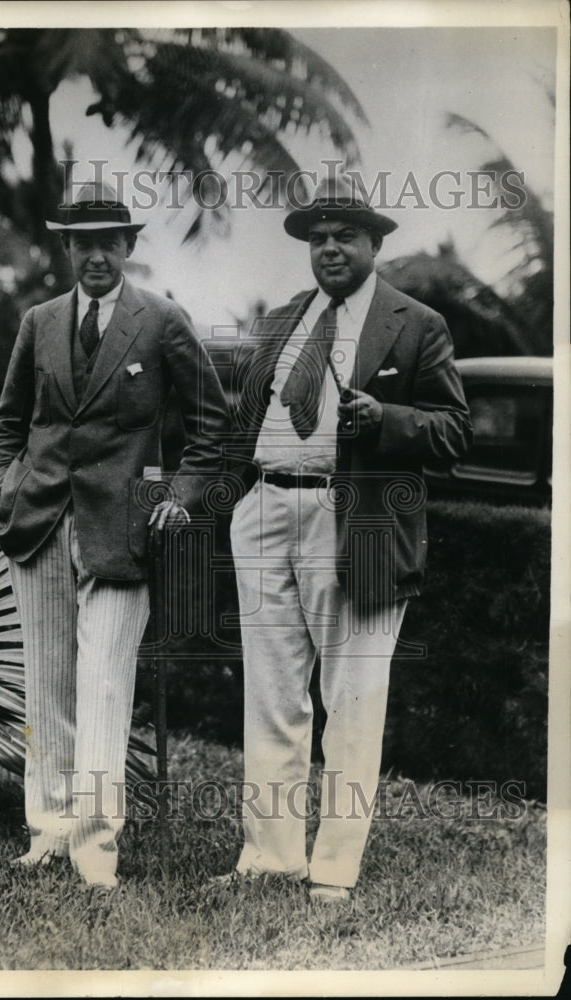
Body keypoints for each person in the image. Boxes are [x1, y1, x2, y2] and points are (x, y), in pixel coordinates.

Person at [222, 172, 472, 901]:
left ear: (373, 244)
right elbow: (244, 425)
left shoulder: (413, 323)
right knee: (270, 695)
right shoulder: (281, 321)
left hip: (356, 520)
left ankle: (332, 868)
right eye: (318, 238)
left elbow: (454, 432)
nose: (329, 248)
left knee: (353, 697)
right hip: (267, 509)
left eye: (345, 237)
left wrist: (387, 420)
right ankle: (268, 857)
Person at [0, 180, 229, 889]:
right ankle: (48, 833)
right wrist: (4, 484)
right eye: (82, 243)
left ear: (128, 247)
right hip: (37, 522)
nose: (96, 255)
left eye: (109, 243)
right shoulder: (38, 321)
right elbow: (9, 421)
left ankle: (95, 851)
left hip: (122, 531)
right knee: (48, 687)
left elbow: (212, 425)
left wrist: (181, 495)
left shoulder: (161, 322)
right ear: (66, 248)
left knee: (102, 688)